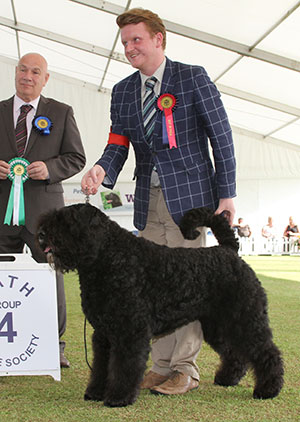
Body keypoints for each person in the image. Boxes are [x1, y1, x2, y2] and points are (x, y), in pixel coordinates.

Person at [81, 8, 236, 395]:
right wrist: (102, 169)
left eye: (137, 40)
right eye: (125, 43)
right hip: (146, 200)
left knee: (188, 286)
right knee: (154, 287)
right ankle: (162, 365)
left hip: (191, 199)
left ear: (158, 39)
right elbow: (118, 144)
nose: (130, 48)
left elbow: (222, 136)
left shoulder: (192, 77)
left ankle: (185, 368)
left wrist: (226, 193)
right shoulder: (122, 91)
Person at [0, 53, 86, 368]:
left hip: (46, 215)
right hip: (1, 214)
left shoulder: (61, 113)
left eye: (36, 71)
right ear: (15, 72)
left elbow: (76, 157)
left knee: (52, 278)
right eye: (23, 69)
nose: (28, 75)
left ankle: (55, 344)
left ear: (45, 78)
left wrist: (48, 169)